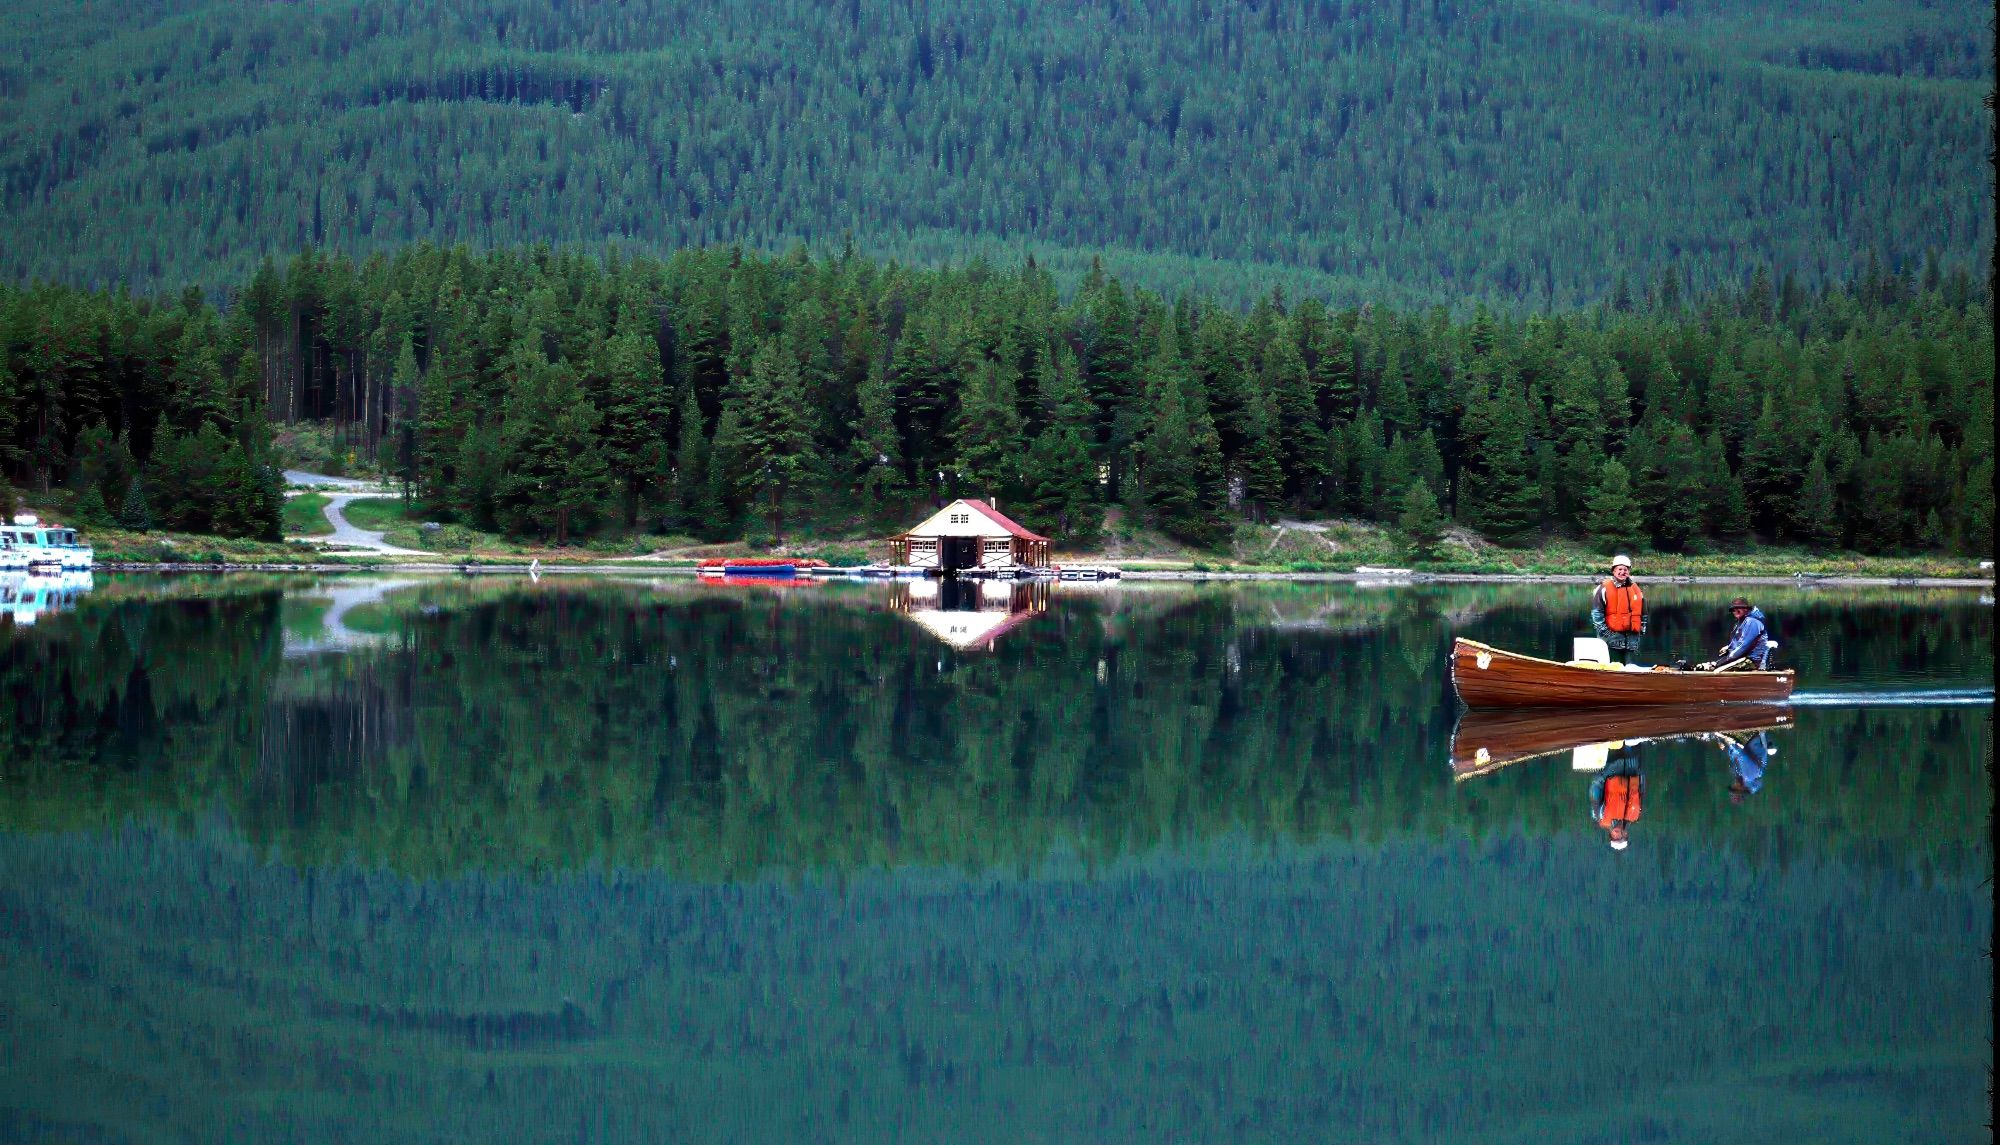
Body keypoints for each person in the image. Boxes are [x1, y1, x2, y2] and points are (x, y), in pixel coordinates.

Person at [1590, 555, 1646, 664]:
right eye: (1620, 569)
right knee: (1612, 668)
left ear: (1629, 571)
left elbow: (1643, 612)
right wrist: (1606, 633)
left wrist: (1642, 629)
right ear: (1613, 571)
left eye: (1625, 569)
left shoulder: (1636, 589)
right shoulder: (1603, 588)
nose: (1622, 572)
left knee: (1630, 669)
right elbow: (1596, 613)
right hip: (1611, 639)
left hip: (1632, 640)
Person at [1589, 744, 1643, 851]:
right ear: (1625, 834)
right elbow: (1641, 791)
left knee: (1610, 741)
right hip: (1631, 767)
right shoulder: (1634, 816)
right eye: (1620, 838)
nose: (1617, 835)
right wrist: (1639, 772)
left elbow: (1595, 792)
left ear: (1610, 835)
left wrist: (1601, 776)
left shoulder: (1600, 817)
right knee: (1630, 741)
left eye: (1614, 838)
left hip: (1611, 770)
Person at [1698, 597, 1772, 670]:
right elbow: (1739, 641)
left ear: (1746, 609)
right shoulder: (1743, 620)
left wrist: (1719, 663)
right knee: (1712, 666)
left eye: (1739, 608)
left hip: (1751, 661)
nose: (1735, 611)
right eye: (1733, 609)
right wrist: (1729, 648)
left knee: (1716, 670)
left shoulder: (1752, 622)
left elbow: (1743, 647)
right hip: (1743, 658)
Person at [1716, 731, 1773, 804]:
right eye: (1735, 788)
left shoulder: (1740, 776)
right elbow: (1743, 755)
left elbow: (1735, 756)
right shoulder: (1749, 776)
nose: (1734, 785)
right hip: (1754, 739)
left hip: (1747, 740)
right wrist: (1731, 744)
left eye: (1733, 787)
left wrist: (1726, 747)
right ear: (1742, 789)